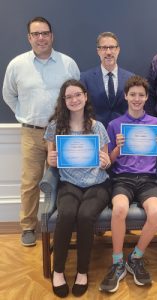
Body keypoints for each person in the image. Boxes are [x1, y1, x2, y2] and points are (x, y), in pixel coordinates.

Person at [2, 16, 80, 247]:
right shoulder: (17, 65)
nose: (41, 38)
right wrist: (25, 115)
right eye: (36, 34)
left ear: (52, 36)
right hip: (32, 133)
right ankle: (28, 226)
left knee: (66, 180)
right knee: (30, 182)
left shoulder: (68, 64)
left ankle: (61, 224)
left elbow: (77, 95)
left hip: (63, 133)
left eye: (45, 33)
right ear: (29, 37)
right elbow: (9, 95)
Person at [99, 75, 157, 293]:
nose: (136, 99)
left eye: (141, 95)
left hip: (148, 179)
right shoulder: (114, 125)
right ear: (126, 97)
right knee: (119, 209)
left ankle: (135, 257)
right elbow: (108, 161)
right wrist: (118, 147)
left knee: (156, 213)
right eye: (132, 95)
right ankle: (117, 262)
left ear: (147, 97)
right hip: (122, 179)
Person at [44, 79, 111, 298]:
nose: (74, 100)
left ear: (85, 96)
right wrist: (51, 159)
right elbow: (50, 158)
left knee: (84, 215)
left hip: (97, 183)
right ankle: (59, 271)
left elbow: (106, 159)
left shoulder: (97, 126)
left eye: (77, 95)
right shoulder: (55, 127)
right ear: (63, 101)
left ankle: (82, 271)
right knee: (67, 214)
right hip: (69, 182)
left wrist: (105, 161)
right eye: (69, 97)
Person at [81, 32, 134, 128]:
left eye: (112, 47)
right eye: (104, 48)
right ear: (98, 51)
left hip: (123, 134)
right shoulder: (85, 78)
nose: (108, 52)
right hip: (96, 133)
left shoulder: (130, 78)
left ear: (118, 50)